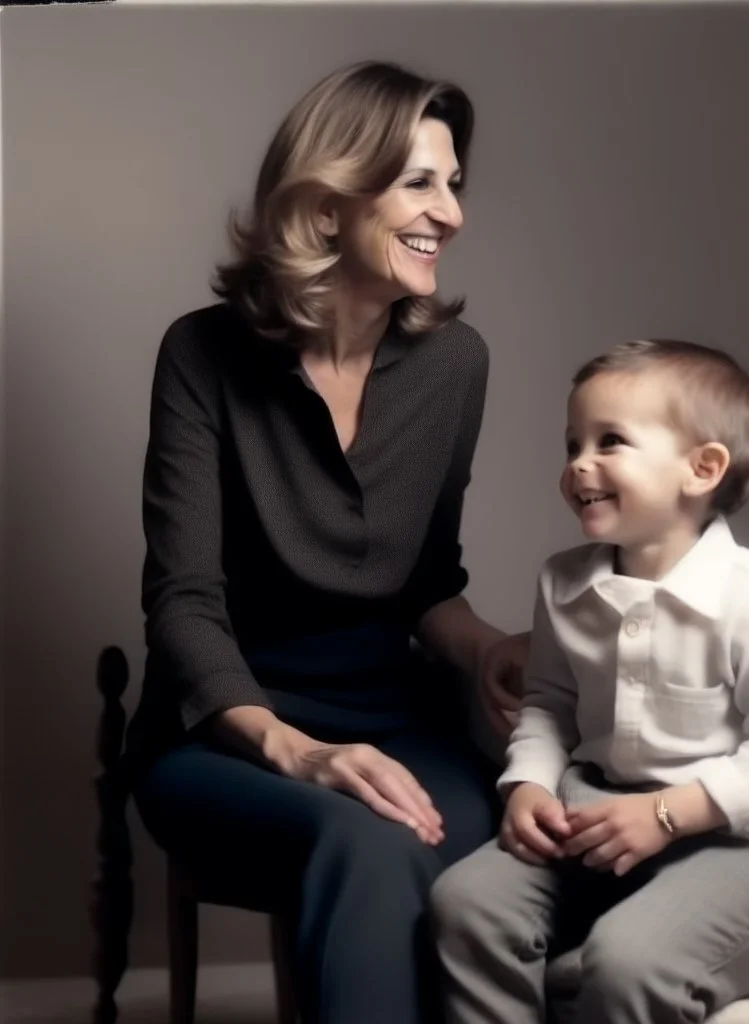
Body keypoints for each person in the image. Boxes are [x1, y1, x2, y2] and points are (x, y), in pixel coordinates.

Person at [126, 61, 527, 1024]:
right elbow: (183, 602)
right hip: (226, 731)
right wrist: (294, 750)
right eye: (420, 183)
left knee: (497, 853)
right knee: (367, 842)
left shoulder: (455, 366)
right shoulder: (201, 354)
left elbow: (426, 583)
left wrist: (486, 650)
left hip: (396, 721)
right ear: (328, 203)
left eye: (454, 184)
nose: (452, 213)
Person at [431, 339, 749, 1024]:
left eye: (610, 441)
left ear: (702, 468)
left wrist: (666, 814)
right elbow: (549, 706)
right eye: (573, 443)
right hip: (606, 819)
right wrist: (529, 784)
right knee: (467, 905)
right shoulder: (565, 582)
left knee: (631, 960)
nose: (579, 463)